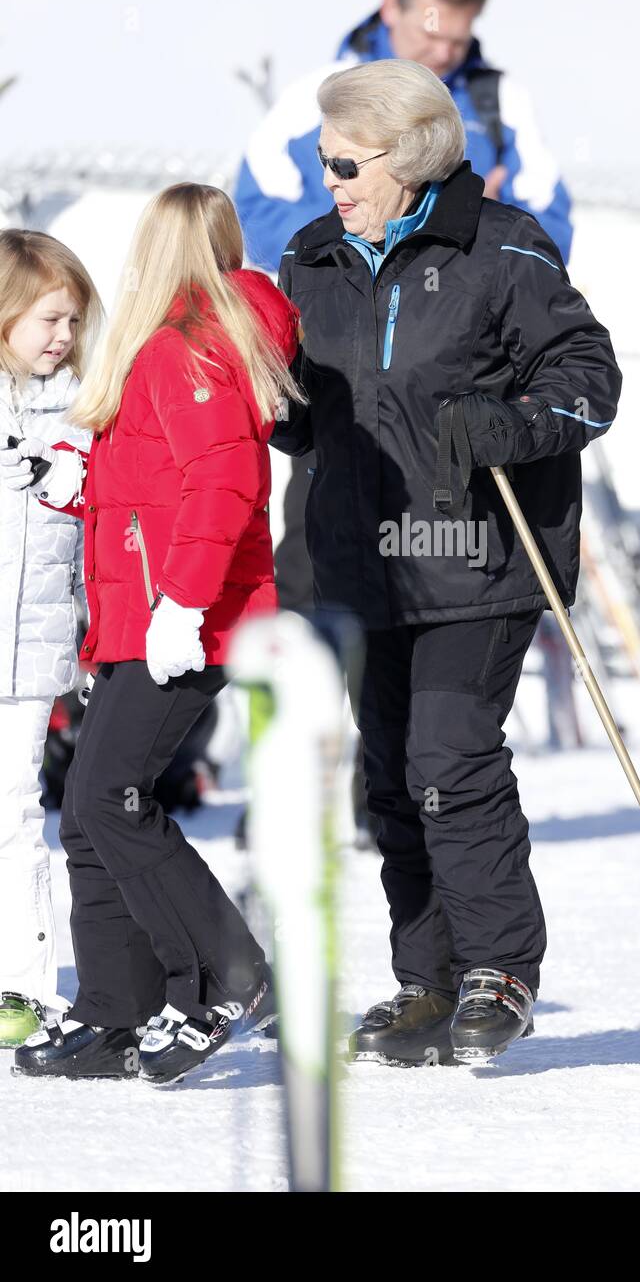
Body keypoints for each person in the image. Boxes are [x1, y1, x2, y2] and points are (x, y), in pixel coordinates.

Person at [270, 59, 622, 1066]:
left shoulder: (501, 249)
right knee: (389, 780)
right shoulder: (311, 257)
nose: (327, 175)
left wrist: (505, 423)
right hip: (358, 560)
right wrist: (266, 400)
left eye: (344, 158)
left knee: (448, 760)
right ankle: (423, 980)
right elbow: (308, 424)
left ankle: (497, 967)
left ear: (409, 153)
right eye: (320, 155)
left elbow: (588, 383)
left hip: (474, 554)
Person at [1, 184, 302, 1085]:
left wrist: (181, 603)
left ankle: (228, 975)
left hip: (185, 621)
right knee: (92, 818)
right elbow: (146, 485)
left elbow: (223, 486)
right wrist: (72, 480)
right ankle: (113, 1010)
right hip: (143, 620)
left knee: (107, 802)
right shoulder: (166, 350)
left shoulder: (189, 349)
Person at [235, 0, 574, 272]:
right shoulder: (317, 96)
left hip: (460, 316)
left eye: (457, 41)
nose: (443, 54)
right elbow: (254, 219)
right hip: (335, 314)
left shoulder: (504, 103)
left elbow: (552, 238)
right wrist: (366, 232)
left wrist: (488, 226)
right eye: (431, 35)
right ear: (392, 9)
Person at [0, 230, 101, 1047]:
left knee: (12, 816)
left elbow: (90, 536)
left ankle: (21, 986)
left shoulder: (80, 414)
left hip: (30, 659)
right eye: (48, 320)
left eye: (73, 320)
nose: (63, 336)